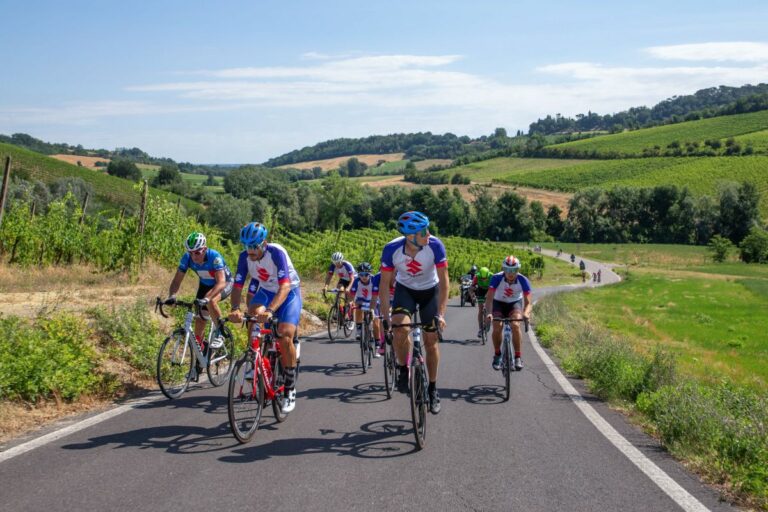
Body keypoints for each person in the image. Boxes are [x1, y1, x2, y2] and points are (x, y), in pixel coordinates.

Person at [380, 211, 449, 415]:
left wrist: (441, 314)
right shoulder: (392, 249)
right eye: (423, 232)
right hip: (406, 290)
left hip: (430, 291)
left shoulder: (435, 245)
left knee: (430, 340)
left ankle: (433, 388)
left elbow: (445, 283)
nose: (429, 234)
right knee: (400, 328)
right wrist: (386, 319)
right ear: (410, 237)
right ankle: (403, 369)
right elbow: (384, 287)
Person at [229, 222, 302, 414]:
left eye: (254, 246)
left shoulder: (276, 252)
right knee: (252, 314)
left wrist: (270, 311)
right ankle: (254, 358)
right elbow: (237, 286)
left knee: (285, 334)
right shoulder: (244, 258)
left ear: (264, 243)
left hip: (289, 292)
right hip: (267, 291)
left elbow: (284, 287)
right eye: (247, 246)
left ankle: (289, 388)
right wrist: (235, 309)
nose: (250, 250)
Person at [165, 232, 233, 358]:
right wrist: (172, 296)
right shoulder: (187, 258)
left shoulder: (214, 257)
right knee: (199, 319)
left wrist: (207, 298)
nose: (194, 256)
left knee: (211, 301)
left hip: (224, 283)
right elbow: (176, 281)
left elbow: (221, 282)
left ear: (205, 249)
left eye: (197, 252)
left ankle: (220, 334)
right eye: (190, 252)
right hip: (205, 285)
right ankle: (199, 355)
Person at [486, 256, 532, 372]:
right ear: (503, 269)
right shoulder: (496, 278)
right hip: (498, 303)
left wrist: (526, 313)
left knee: (516, 325)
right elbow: (489, 299)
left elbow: (528, 302)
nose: (511, 273)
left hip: (514, 304)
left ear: (518, 270)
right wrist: (489, 313)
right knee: (497, 327)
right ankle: (497, 354)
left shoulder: (523, 280)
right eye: (507, 270)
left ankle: (517, 356)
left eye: (514, 270)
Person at [349, 262, 378, 359]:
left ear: (370, 274)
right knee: (357, 307)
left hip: (373, 300)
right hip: (361, 299)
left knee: (376, 321)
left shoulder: (374, 280)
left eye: (366, 274)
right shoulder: (356, 281)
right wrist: (350, 303)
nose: (364, 277)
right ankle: (358, 329)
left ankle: (377, 343)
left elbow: (378, 294)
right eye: (361, 275)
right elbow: (352, 295)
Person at [323, 251, 356, 327]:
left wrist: (348, 288)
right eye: (334, 263)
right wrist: (326, 286)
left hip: (353, 280)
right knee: (339, 289)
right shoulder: (333, 265)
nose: (336, 264)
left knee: (349, 299)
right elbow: (329, 277)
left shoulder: (347, 265)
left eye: (338, 262)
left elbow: (352, 278)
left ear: (341, 261)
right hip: (343, 279)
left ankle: (351, 318)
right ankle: (337, 307)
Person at [473, 266, 493, 338]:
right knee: (480, 309)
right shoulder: (477, 276)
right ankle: (480, 329)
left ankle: (488, 321)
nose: (484, 280)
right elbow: (471, 287)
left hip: (490, 290)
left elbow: (495, 287)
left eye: (485, 278)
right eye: (482, 278)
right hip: (481, 290)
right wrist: (472, 296)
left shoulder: (492, 276)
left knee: (489, 308)